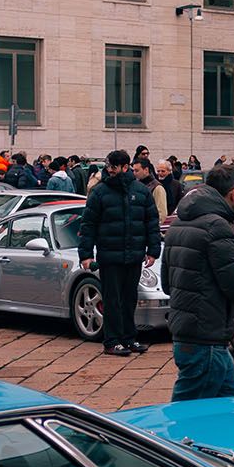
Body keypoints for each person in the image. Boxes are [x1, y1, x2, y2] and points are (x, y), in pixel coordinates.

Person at [161, 164, 234, 402]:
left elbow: (166, 284)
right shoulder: (217, 227)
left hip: (193, 335)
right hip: (205, 339)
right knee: (185, 415)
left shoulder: (178, 224)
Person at [78, 149, 160, 357]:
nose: (110, 170)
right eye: (109, 166)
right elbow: (88, 225)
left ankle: (129, 338)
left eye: (114, 167)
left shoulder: (140, 191)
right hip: (109, 256)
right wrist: (86, 255)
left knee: (129, 299)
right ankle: (112, 341)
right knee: (112, 300)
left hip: (134, 255)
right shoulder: (99, 192)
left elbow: (151, 222)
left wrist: (153, 250)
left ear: (126, 167)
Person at [132, 156, 168, 221]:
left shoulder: (157, 188)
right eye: (133, 170)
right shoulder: (135, 186)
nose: (134, 173)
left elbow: (162, 215)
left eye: (136, 171)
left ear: (146, 170)